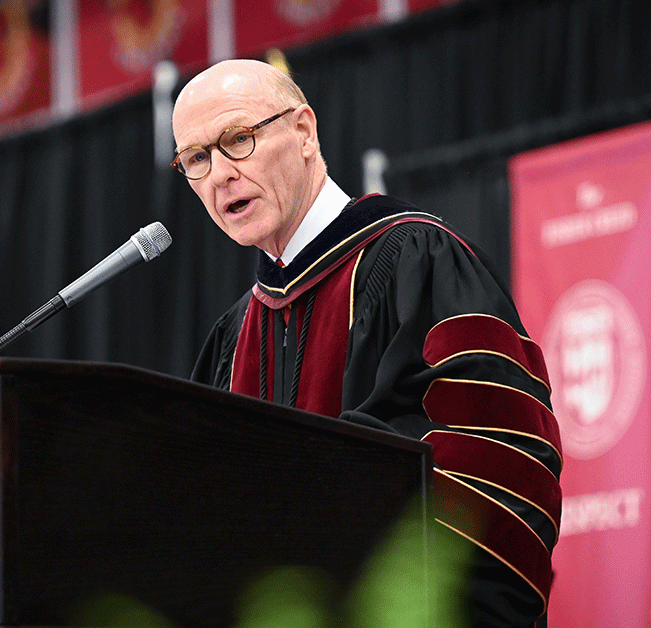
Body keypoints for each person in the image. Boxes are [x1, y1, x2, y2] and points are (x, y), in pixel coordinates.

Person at [172, 59, 562, 628]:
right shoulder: (231, 341)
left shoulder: (416, 259)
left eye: (238, 139)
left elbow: (498, 455)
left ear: (304, 131)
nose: (219, 175)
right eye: (197, 159)